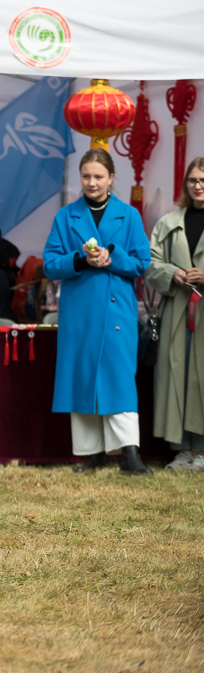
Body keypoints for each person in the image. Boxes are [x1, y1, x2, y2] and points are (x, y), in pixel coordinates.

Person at [43, 149, 152, 475]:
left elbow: (142, 263)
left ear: (111, 178)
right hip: (79, 313)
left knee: (120, 379)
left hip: (118, 313)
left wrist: (112, 257)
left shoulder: (129, 215)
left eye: (99, 176)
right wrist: (80, 259)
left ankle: (130, 454)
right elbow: (50, 264)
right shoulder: (65, 216)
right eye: (86, 176)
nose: (92, 182)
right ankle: (93, 454)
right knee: (82, 378)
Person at [146, 156, 204, 470]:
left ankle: (202, 450)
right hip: (176, 312)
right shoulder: (168, 223)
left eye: (203, 181)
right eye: (193, 180)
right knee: (176, 376)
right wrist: (172, 273)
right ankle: (182, 450)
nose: (198, 186)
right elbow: (150, 263)